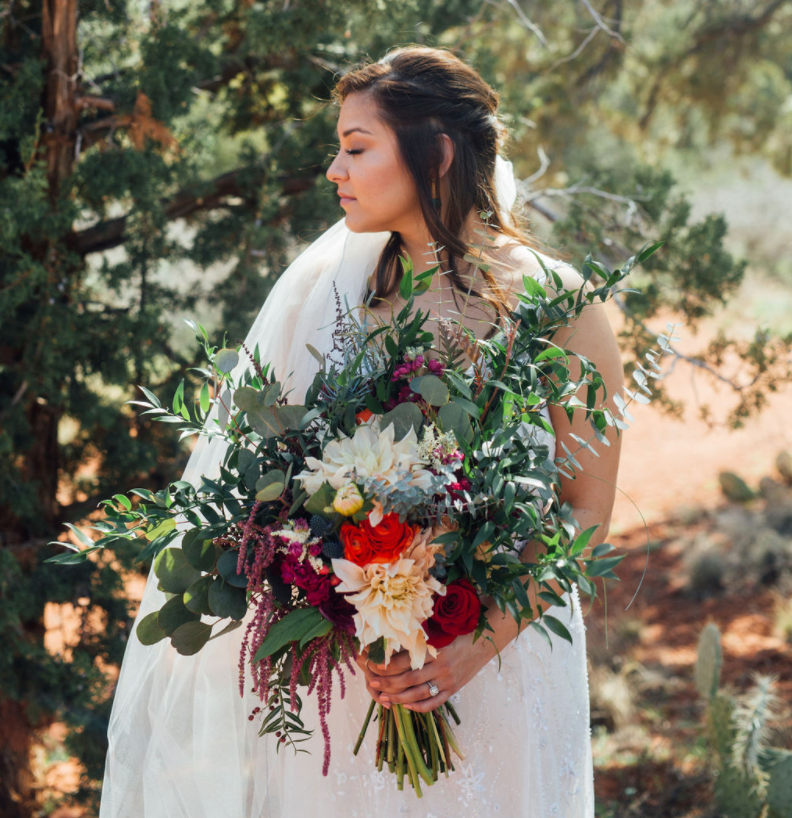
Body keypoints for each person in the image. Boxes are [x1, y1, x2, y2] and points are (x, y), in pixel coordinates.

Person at [100, 45, 624, 818]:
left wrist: (470, 652)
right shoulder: (331, 296)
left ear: (437, 153)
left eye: (356, 147)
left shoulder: (560, 308)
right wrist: (340, 607)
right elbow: (277, 488)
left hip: (503, 667)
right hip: (359, 674)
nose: (334, 171)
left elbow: (586, 516)